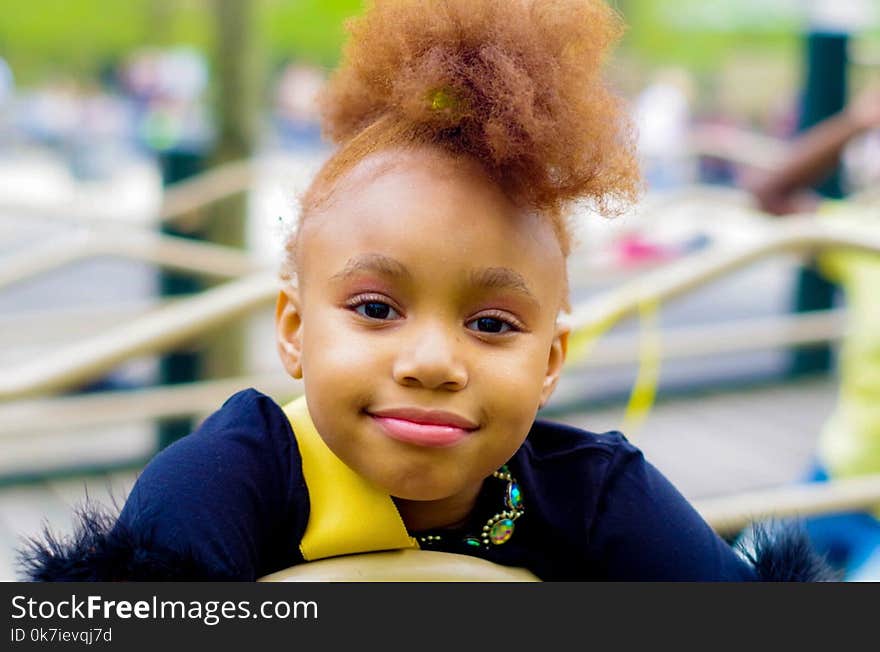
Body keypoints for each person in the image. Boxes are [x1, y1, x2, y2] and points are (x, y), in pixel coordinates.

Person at [19, 0, 832, 582]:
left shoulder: (597, 495)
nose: (434, 361)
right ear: (294, 330)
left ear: (552, 361)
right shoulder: (227, 482)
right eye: (375, 309)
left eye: (491, 322)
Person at [746, 83, 880, 580]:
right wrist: (858, 119)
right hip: (837, 474)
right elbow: (768, 193)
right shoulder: (864, 234)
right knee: (735, 573)